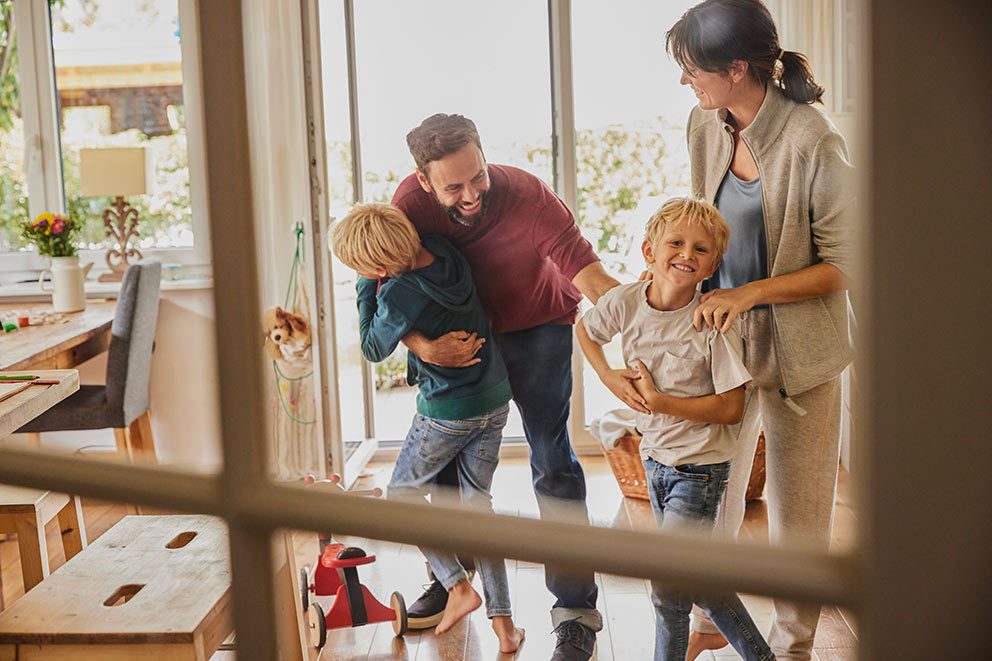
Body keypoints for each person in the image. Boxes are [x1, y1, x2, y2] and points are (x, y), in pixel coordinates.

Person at [392, 113, 627, 660]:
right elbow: (382, 279)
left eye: (478, 175)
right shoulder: (408, 204)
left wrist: (639, 322)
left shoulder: (525, 194)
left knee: (553, 460)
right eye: (454, 185)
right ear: (424, 181)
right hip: (459, 339)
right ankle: (453, 580)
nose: (472, 193)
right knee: (450, 470)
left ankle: (574, 613)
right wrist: (424, 347)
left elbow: (583, 267)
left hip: (539, 327)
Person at [665, 1, 856, 659]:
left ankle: (794, 645)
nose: (686, 82)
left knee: (797, 512)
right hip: (724, 346)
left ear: (736, 67)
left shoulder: (813, 141)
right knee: (705, 492)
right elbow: (702, 223)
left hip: (802, 352)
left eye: (693, 70)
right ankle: (709, 616)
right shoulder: (704, 125)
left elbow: (846, 264)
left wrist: (753, 292)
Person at [577, 198, 775, 661]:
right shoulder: (626, 301)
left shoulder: (711, 323)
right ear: (649, 250)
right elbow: (585, 330)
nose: (687, 253)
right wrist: (607, 375)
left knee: (669, 587)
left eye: (701, 249)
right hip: (655, 461)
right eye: (676, 242)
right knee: (696, 582)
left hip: (701, 472)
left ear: (712, 265)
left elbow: (731, 408)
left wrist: (662, 403)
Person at [329, 203, 524, 653]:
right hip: (494, 399)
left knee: (401, 500)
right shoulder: (442, 250)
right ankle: (505, 626)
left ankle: (457, 587)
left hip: (448, 412)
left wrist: (365, 286)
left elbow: (373, 347)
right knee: (478, 508)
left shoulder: (397, 292)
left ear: (380, 267)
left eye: (359, 267)